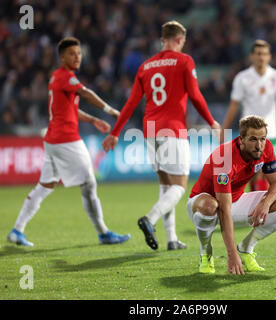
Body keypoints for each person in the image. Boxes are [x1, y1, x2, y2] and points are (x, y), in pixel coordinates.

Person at [102, 21, 221, 251]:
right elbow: (195, 96)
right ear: (179, 40)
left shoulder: (145, 66)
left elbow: (131, 103)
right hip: (173, 130)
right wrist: (212, 121)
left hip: (150, 131)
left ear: (162, 40)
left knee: (166, 185)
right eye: (183, 42)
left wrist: (115, 132)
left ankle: (171, 239)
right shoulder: (184, 60)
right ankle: (150, 219)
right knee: (179, 186)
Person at [7, 37, 130, 247]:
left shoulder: (58, 79)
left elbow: (70, 109)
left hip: (53, 141)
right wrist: (108, 110)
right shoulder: (65, 77)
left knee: (46, 185)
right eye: (72, 54)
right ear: (62, 57)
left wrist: (92, 119)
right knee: (89, 183)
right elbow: (86, 93)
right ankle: (104, 233)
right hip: (66, 140)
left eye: (79, 53)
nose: (77, 57)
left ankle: (17, 230)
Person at [187, 115, 276, 274]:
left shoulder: (266, 148)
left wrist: (265, 204)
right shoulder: (225, 158)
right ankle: (206, 253)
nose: (259, 145)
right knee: (211, 206)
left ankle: (247, 247)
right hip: (203, 204)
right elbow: (223, 209)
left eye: (262, 139)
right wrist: (232, 254)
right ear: (241, 139)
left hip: (235, 201)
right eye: (253, 139)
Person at [221, 39, 276, 191]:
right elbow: (234, 104)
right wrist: (225, 127)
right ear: (252, 56)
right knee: (254, 172)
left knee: (265, 171)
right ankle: (254, 205)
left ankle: (259, 207)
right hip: (249, 133)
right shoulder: (242, 78)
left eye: (265, 54)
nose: (262, 57)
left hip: (270, 132)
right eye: (259, 53)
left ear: (269, 57)